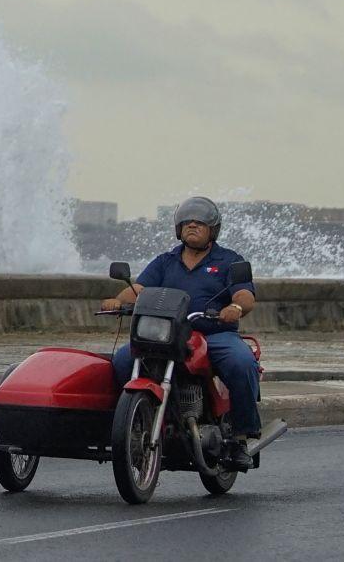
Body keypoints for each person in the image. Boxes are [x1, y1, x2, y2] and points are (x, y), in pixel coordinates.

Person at [100, 196, 260, 470]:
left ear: (213, 230)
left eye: (200, 223)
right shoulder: (166, 261)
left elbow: (245, 294)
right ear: (178, 228)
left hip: (214, 335)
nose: (192, 226)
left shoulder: (228, 260)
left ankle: (240, 438)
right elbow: (140, 289)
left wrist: (235, 307)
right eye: (187, 222)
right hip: (169, 334)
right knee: (124, 360)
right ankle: (132, 423)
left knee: (241, 362)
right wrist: (118, 300)